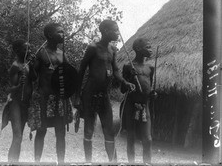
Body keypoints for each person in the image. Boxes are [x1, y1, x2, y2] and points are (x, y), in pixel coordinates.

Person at [75, 19, 135, 163]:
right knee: (89, 129)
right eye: (115, 30)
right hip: (89, 93)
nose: (117, 33)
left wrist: (124, 82)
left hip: (104, 94)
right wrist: (77, 96)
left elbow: (115, 70)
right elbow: (81, 70)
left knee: (109, 130)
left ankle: (113, 162)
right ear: (106, 31)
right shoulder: (93, 48)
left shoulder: (113, 49)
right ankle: (88, 162)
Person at [30, 22, 73, 164]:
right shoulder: (41, 54)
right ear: (49, 35)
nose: (63, 34)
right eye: (59, 32)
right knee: (41, 131)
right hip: (44, 98)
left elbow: (68, 76)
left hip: (60, 99)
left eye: (63, 32)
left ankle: (61, 163)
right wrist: (30, 66)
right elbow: (33, 77)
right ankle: (37, 162)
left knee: (60, 133)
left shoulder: (62, 54)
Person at [121, 37, 157, 164]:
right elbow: (122, 89)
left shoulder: (150, 68)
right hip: (131, 105)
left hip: (145, 106)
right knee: (131, 138)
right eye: (147, 47)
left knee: (148, 139)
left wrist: (152, 94)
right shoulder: (128, 66)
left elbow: (149, 88)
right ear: (137, 49)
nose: (150, 49)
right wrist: (129, 77)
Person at [1, 40, 34, 163]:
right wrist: (19, 85)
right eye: (26, 49)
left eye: (30, 49)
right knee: (18, 136)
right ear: (17, 51)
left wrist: (34, 65)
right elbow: (9, 89)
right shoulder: (15, 66)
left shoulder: (29, 64)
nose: (29, 51)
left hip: (26, 103)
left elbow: (35, 78)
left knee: (19, 138)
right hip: (16, 103)